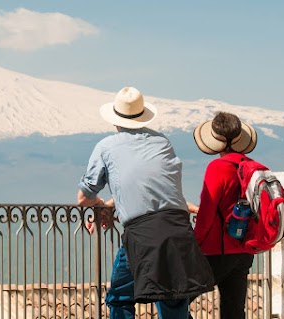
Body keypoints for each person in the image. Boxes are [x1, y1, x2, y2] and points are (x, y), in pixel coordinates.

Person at [77, 87, 214, 319]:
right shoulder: (161, 141)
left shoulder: (106, 146)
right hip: (177, 228)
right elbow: (149, 186)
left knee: (120, 297)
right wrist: (112, 205)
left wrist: (100, 205)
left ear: (115, 120)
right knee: (173, 298)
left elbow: (84, 198)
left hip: (143, 235)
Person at [188, 111, 258, 318]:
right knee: (234, 310)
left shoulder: (217, 168)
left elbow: (207, 213)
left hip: (217, 252)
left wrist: (193, 245)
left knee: (175, 300)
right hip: (244, 250)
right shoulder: (250, 165)